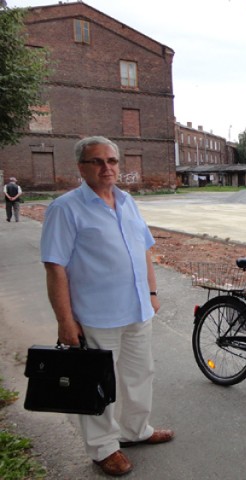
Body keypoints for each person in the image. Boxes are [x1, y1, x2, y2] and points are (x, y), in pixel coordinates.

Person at [40, 136, 174, 477]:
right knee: (96, 384)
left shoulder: (128, 202)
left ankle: (135, 431)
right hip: (97, 316)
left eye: (112, 161)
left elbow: (144, 249)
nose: (107, 167)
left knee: (140, 375)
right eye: (97, 161)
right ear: (81, 168)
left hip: (138, 310)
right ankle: (103, 448)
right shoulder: (65, 208)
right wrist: (65, 321)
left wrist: (153, 293)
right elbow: (55, 267)